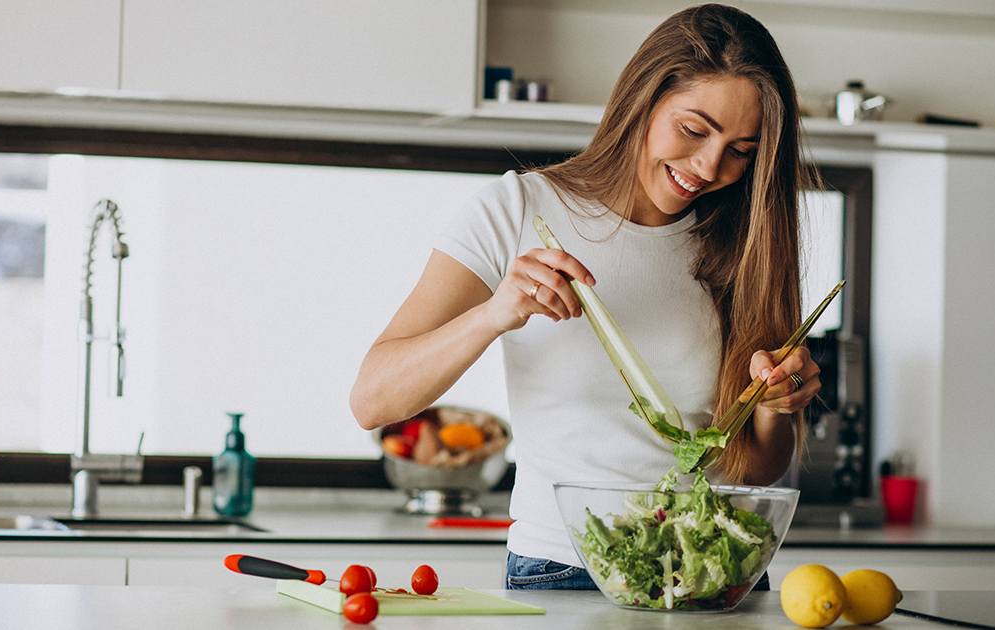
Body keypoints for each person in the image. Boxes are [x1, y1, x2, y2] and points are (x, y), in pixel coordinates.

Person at [350, 4, 820, 590]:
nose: (708, 166)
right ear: (642, 101)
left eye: (741, 151)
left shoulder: (746, 245)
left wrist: (777, 409)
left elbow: (756, 467)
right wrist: (495, 313)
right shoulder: (519, 211)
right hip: (565, 567)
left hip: (717, 571)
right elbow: (373, 399)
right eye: (694, 130)